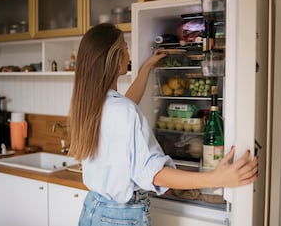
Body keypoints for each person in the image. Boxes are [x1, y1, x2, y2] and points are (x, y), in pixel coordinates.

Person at [68, 23, 258, 226]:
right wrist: (216, 178)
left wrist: (147, 68)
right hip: (118, 218)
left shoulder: (89, 104)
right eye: (125, 47)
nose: (128, 53)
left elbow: (125, 108)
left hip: (93, 210)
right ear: (114, 58)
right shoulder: (123, 111)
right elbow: (154, 173)